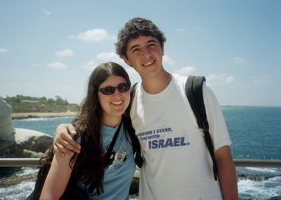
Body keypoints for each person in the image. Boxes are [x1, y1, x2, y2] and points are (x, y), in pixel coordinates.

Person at [53, 18, 238, 200]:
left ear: (162, 48)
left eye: (151, 45)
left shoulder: (196, 91)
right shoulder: (129, 100)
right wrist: (63, 129)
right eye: (136, 49)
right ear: (126, 59)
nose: (147, 54)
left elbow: (223, 157)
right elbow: (99, 120)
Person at [40, 62, 137, 200]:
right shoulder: (74, 137)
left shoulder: (133, 128)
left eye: (123, 87)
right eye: (108, 90)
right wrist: (61, 129)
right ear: (95, 94)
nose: (117, 95)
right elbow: (48, 197)